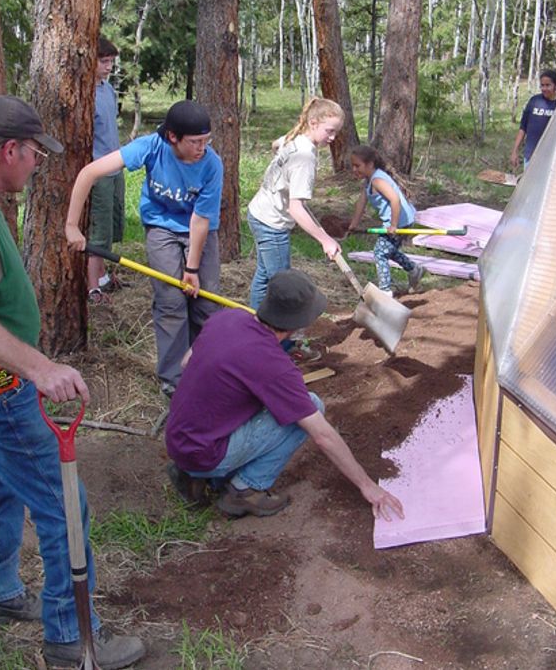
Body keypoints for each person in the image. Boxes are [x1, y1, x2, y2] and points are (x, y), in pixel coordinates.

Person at [0, 95, 145, 668]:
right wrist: (41, 367)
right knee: (62, 505)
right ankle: (69, 636)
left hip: (0, 386)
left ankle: (0, 591)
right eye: (33, 153)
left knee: (0, 488)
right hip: (1, 390)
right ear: (9, 150)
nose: (36, 163)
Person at [165, 268, 405, 522]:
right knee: (311, 406)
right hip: (203, 453)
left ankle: (192, 475)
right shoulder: (274, 365)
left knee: (260, 402)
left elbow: (185, 363)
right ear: (300, 322)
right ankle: (244, 490)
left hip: (179, 439)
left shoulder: (227, 318)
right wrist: (368, 486)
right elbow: (322, 435)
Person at [66, 100, 223, 397]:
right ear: (172, 137)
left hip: (199, 231)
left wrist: (191, 269)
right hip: (161, 229)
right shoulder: (151, 147)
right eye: (195, 142)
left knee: (206, 302)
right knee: (170, 302)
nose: (202, 148)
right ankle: (174, 380)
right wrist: (72, 225)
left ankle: (203, 369)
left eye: (207, 140)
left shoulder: (212, 164)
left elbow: (201, 219)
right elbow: (89, 173)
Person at [247, 97, 343, 361]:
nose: (332, 138)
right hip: (272, 224)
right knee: (285, 289)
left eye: (336, 131)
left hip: (258, 212)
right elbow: (296, 208)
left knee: (265, 276)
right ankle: (286, 347)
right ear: (313, 123)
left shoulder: (295, 138)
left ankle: (255, 333)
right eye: (329, 131)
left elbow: (275, 144)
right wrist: (325, 239)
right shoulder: (305, 157)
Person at [347, 145, 423, 296]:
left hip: (400, 221)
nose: (354, 169)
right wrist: (353, 225)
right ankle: (414, 269)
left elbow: (395, 200)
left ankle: (385, 290)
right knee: (389, 250)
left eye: (358, 166)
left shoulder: (377, 180)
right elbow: (361, 203)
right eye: (353, 166)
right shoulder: (369, 180)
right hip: (396, 220)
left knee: (380, 252)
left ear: (370, 164)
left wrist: (393, 225)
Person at [88, 36, 125, 304]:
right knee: (98, 231)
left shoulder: (108, 90)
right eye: (104, 61)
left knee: (113, 225)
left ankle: (102, 275)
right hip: (98, 170)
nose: (109, 66)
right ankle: (93, 288)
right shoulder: (85, 95)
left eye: (111, 61)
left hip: (116, 166)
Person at [510, 69, 556, 169]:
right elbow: (523, 128)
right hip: (530, 156)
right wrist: (515, 151)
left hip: (551, 157)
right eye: (542, 85)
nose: (544, 88)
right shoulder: (534, 101)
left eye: (548, 85)